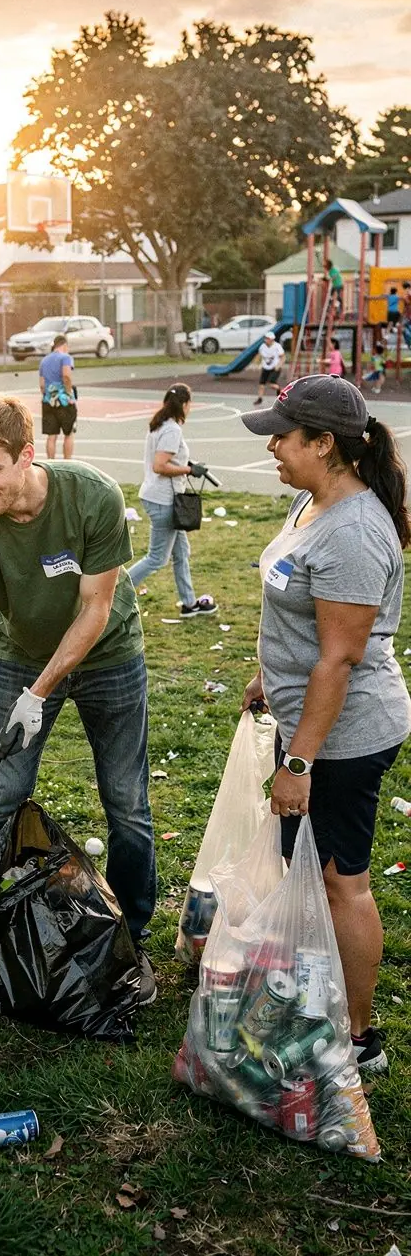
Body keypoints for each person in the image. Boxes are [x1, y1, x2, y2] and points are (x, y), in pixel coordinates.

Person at [0, 394, 157, 1005]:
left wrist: (40, 693)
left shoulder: (93, 495)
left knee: (127, 801)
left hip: (109, 658)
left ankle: (131, 939)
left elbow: (96, 609)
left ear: (27, 456)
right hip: (21, 657)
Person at [240, 375, 411, 1074]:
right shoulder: (311, 504)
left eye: (284, 436)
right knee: (304, 869)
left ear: (326, 444)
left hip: (344, 734)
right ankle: (319, 999)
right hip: (310, 721)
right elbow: (299, 616)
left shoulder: (355, 533)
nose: (274, 446)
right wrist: (265, 675)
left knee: (343, 881)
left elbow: (339, 660)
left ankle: (358, 1038)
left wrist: (298, 762)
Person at [128, 384, 216, 617]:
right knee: (157, 558)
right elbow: (160, 466)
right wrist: (188, 470)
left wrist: (188, 465)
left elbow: (169, 458)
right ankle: (116, 591)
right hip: (163, 500)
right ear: (185, 405)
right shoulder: (171, 429)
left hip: (159, 497)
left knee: (181, 552)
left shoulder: (160, 425)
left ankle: (189, 603)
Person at [39, 334, 77, 460]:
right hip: (63, 401)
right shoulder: (65, 358)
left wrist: (47, 395)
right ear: (64, 345)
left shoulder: (44, 361)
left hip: (48, 401)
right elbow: (66, 376)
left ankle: (51, 463)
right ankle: (67, 463)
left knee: (51, 435)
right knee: (69, 433)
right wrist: (68, 393)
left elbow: (42, 384)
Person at [252, 331, 286, 406]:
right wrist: (255, 364)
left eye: (268, 338)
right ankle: (260, 399)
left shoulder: (277, 346)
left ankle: (281, 391)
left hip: (275, 368)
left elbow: (283, 357)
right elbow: (259, 355)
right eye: (265, 338)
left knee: (272, 384)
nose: (266, 340)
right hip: (265, 368)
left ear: (272, 339)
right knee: (261, 384)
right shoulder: (262, 346)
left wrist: (279, 365)